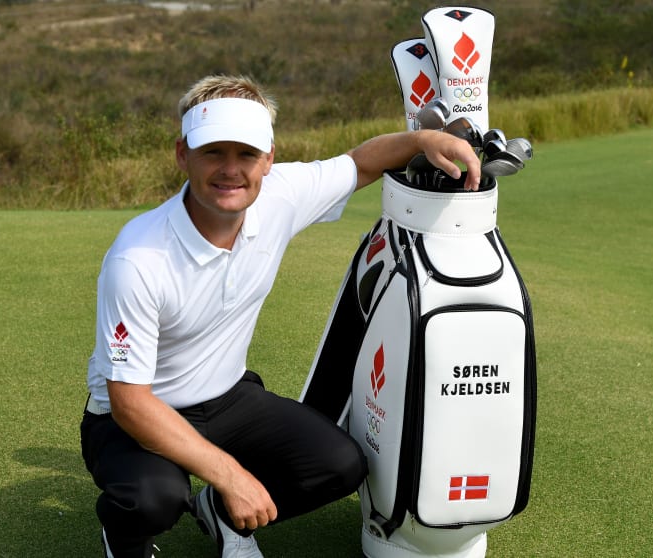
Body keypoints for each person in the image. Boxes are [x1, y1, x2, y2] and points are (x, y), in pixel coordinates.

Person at [80, 74, 482, 558]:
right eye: (213, 152)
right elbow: (130, 403)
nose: (231, 170)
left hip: (227, 397)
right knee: (153, 500)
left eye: (246, 154)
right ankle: (123, 539)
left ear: (268, 159)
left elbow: (359, 163)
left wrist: (423, 139)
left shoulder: (280, 194)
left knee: (339, 464)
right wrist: (231, 474)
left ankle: (222, 516)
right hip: (134, 417)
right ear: (182, 154)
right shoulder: (138, 259)